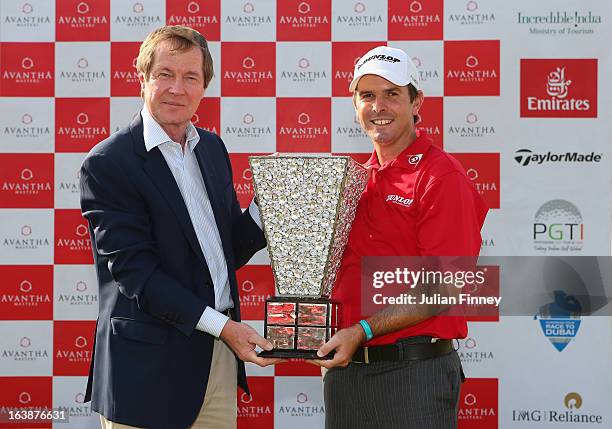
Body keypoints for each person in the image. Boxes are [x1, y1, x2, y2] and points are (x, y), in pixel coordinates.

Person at [79, 26, 280, 429]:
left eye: (191, 77)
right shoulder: (109, 164)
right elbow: (137, 276)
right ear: (142, 78)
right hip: (147, 371)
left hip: (216, 361)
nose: (177, 88)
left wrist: (270, 202)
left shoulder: (212, 148)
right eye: (165, 74)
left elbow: (224, 252)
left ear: (204, 86)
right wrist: (225, 328)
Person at [313, 46, 489, 429]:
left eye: (392, 94)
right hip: (347, 374)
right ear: (355, 105)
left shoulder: (441, 176)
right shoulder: (354, 180)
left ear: (415, 102)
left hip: (412, 376)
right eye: (368, 95)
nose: (379, 106)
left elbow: (444, 286)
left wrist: (362, 331)